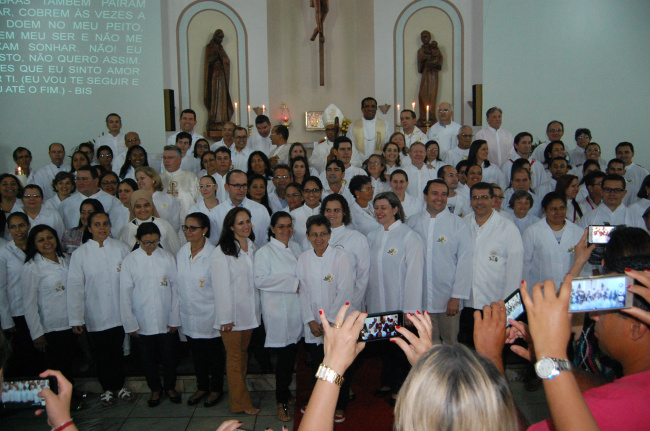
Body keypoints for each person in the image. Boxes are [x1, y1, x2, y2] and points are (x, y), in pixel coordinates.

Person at [67, 212, 133, 406]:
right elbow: (75, 287)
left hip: (119, 312)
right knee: (101, 354)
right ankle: (106, 389)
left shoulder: (122, 249)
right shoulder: (81, 254)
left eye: (105, 224)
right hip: (95, 313)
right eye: (97, 224)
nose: (102, 228)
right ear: (89, 228)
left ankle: (119, 386)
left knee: (117, 351)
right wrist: (76, 318)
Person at [367, 192, 424, 405]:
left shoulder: (409, 237)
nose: (379, 212)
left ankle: (401, 388)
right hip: (377, 304)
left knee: (401, 350)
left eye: (384, 207)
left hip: (400, 306)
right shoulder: (372, 236)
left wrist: (410, 310)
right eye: (377, 208)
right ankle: (388, 382)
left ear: (395, 209)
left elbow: (414, 276)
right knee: (384, 347)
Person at [296, 215, 353, 423]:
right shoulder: (303, 259)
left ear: (330, 234)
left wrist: (328, 321)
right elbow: (302, 292)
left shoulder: (341, 257)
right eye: (314, 234)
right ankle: (318, 403)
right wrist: (310, 320)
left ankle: (339, 404)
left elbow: (345, 290)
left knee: (337, 364)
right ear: (308, 236)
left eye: (322, 234)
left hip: (336, 323)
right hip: (314, 326)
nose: (318, 238)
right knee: (317, 366)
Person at [120, 222, 181, 407]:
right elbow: (124, 293)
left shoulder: (167, 257)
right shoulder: (130, 261)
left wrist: (174, 318)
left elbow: (176, 289)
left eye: (155, 242)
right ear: (138, 240)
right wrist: (130, 324)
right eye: (146, 242)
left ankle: (170, 387)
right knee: (147, 360)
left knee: (169, 357)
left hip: (165, 319)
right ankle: (155, 389)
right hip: (142, 320)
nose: (151, 246)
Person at [407, 179, 473, 345]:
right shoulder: (412, 223)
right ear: (425, 196)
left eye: (444, 194)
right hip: (421, 300)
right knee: (427, 346)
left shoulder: (458, 224)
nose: (440, 198)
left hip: (447, 300)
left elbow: (465, 262)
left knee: (451, 346)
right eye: (435, 193)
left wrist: (456, 297)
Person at [459, 182, 523, 346]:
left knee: (493, 355)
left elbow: (515, 272)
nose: (479, 202)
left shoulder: (508, 228)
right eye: (475, 198)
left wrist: (509, 310)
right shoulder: (462, 225)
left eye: (484, 197)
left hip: (496, 306)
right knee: (469, 355)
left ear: (493, 200)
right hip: (467, 305)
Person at [254, 211, 302, 422]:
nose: (286, 230)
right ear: (272, 229)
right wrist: (293, 283)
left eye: (289, 226)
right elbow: (260, 280)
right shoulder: (264, 253)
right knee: (283, 359)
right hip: (279, 312)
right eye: (281, 226)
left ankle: (287, 394)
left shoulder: (297, 247)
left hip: (297, 310)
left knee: (292, 356)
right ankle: (280, 400)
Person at [211, 207, 260, 415]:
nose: (245, 226)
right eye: (240, 223)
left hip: (249, 314)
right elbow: (220, 287)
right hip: (231, 317)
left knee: (242, 356)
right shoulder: (222, 251)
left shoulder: (253, 246)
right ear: (231, 227)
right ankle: (240, 403)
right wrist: (225, 318)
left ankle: (239, 396)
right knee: (234, 359)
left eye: (247, 221)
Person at [176, 212, 226, 408]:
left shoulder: (215, 254)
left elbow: (221, 289)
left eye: (193, 228)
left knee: (214, 356)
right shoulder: (182, 252)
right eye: (186, 227)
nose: (188, 231)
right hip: (189, 316)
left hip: (210, 315)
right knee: (196, 356)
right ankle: (202, 387)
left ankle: (215, 389)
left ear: (205, 230)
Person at [22, 225, 76, 385]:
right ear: (34, 244)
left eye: (50, 237)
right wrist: (36, 333)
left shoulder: (66, 259)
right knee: (56, 366)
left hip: (70, 322)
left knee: (68, 362)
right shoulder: (32, 267)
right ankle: (62, 399)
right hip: (50, 326)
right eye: (41, 240)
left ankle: (71, 393)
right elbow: (29, 304)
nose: (47, 242)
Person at [0, 212, 45, 377]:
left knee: (43, 355)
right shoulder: (4, 252)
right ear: (8, 229)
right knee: (25, 356)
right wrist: (6, 320)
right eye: (13, 227)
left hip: (41, 308)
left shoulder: (38, 246)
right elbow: (1, 287)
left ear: (28, 226)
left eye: (21, 225)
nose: (18, 230)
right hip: (18, 311)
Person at [522, 192, 587, 288]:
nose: (559, 212)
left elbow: (583, 264)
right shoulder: (532, 232)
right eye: (554, 209)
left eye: (562, 208)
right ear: (544, 210)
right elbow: (525, 264)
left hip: (571, 289)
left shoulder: (578, 232)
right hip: (541, 291)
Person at [320, 194, 370, 312]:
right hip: (322, 302)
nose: (332, 214)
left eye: (336, 210)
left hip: (349, 304)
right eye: (328, 210)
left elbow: (363, 275)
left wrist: (352, 303)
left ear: (345, 212)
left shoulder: (357, 238)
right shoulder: (315, 238)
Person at [58, 166, 124, 236]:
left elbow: (116, 230)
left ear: (96, 181)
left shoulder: (113, 202)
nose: (80, 182)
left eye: (84, 179)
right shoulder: (65, 204)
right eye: (78, 179)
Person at [212, 170, 271, 247]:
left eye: (244, 185)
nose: (241, 189)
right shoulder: (216, 213)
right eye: (237, 185)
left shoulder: (261, 210)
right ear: (226, 187)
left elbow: (266, 239)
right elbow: (214, 242)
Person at [118, 190, 181, 255]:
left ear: (151, 206)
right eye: (138, 206)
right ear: (133, 208)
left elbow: (176, 250)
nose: (143, 209)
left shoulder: (164, 225)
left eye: (146, 205)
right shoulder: (126, 229)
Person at [160, 145, 200, 229]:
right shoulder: (159, 179)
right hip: (164, 224)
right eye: (164, 158)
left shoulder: (191, 177)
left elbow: (199, 201)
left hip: (187, 224)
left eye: (170, 158)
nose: (166, 161)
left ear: (179, 159)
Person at [135, 166, 181, 232]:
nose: (139, 181)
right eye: (137, 179)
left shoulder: (168, 198)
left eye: (142, 178)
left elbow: (175, 222)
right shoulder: (136, 199)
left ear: (153, 179)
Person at [204, 29, 234, 130]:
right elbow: (208, 60)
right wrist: (215, 56)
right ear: (215, 37)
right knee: (215, 98)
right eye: (219, 37)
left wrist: (223, 59)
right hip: (214, 75)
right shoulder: (210, 47)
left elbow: (226, 60)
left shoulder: (221, 49)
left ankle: (223, 119)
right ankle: (214, 120)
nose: (220, 40)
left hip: (222, 75)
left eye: (222, 38)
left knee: (222, 98)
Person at [347, 97, 389, 166]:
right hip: (359, 164)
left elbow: (387, 145)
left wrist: (376, 160)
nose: (370, 109)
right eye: (367, 106)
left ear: (376, 109)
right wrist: (364, 160)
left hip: (379, 164)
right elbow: (351, 146)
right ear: (362, 109)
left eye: (373, 106)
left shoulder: (385, 125)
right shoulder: (353, 126)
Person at [416, 32, 443, 124]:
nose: (423, 38)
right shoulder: (420, 50)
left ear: (429, 38)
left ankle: (431, 116)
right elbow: (419, 67)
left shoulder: (435, 49)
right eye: (422, 37)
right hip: (425, 73)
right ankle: (423, 116)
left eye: (425, 37)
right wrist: (425, 61)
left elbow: (439, 61)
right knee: (421, 95)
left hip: (433, 73)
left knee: (432, 95)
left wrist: (431, 62)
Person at [291, 177, 323, 247]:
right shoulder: (293, 215)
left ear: (321, 192)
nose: (311, 194)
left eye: (315, 190)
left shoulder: (328, 214)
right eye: (307, 191)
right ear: (302, 193)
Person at [311, 104, 342, 173]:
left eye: (333, 129)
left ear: (339, 130)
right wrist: (329, 158)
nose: (330, 132)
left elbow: (357, 163)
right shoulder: (318, 148)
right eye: (328, 130)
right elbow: (313, 165)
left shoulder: (347, 146)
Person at [616, 142, 649, 207]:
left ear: (633, 154)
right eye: (620, 153)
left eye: (626, 152)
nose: (623, 155)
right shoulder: (611, 170)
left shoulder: (642, 172)